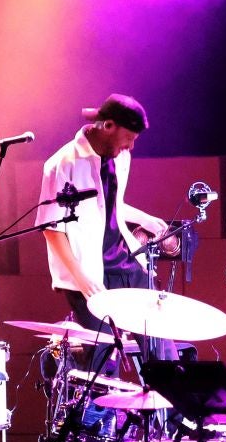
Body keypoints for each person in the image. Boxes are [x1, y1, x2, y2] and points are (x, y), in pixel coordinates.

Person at [39, 93, 172, 334]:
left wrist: (145, 220)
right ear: (108, 126)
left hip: (125, 264)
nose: (130, 146)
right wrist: (81, 279)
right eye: (129, 138)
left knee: (160, 347)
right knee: (104, 360)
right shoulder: (62, 163)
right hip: (87, 276)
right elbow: (51, 229)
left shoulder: (121, 157)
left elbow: (108, 206)